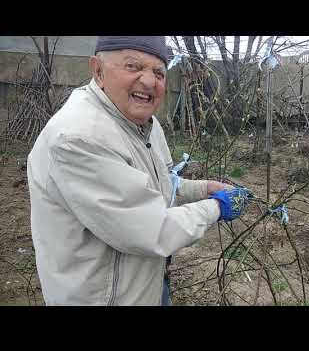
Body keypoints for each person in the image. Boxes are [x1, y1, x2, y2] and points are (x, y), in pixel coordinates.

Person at [27, 36, 250, 306]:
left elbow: (152, 184)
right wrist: (217, 207)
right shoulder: (79, 137)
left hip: (146, 285)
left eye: (158, 72)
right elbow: (152, 229)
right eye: (133, 66)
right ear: (98, 70)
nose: (148, 81)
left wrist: (202, 189)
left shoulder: (144, 123)